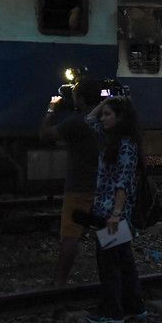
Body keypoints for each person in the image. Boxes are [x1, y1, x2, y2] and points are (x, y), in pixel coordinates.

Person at [85, 96, 146, 323]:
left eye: (108, 114)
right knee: (123, 259)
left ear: (120, 118)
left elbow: (123, 182)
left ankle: (112, 311)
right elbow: (89, 119)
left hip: (113, 214)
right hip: (108, 211)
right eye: (104, 114)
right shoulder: (111, 139)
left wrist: (116, 214)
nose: (103, 118)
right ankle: (135, 306)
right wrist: (108, 100)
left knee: (109, 263)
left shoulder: (126, 146)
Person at [39, 76, 102, 286]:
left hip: (79, 187)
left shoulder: (77, 121)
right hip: (104, 187)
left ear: (81, 99)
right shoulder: (107, 117)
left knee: (71, 235)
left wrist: (51, 109)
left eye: (75, 95)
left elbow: (45, 135)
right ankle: (115, 278)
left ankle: (59, 282)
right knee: (110, 234)